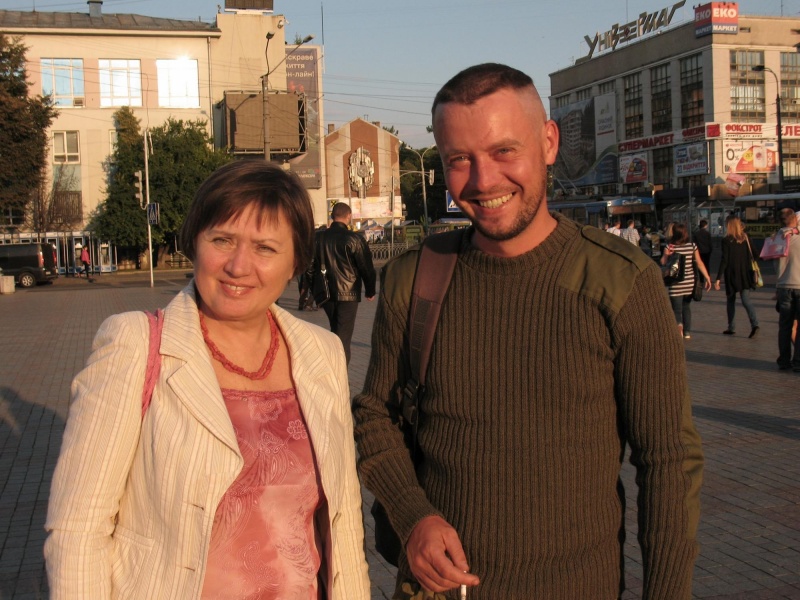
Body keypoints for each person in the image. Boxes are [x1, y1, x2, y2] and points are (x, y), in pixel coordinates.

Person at [353, 63, 703, 599]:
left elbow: (668, 463)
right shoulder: (415, 277)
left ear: (548, 142)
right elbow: (374, 416)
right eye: (458, 159)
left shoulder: (620, 282)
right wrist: (412, 516)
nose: (483, 181)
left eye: (503, 151)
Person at [44, 161, 370, 599]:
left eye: (265, 248)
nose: (238, 266)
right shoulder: (135, 345)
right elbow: (78, 530)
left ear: (295, 263)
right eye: (222, 240)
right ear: (195, 243)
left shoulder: (322, 353)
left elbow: (344, 518)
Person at [307, 201, 376, 364]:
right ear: (349, 216)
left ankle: (333, 367)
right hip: (349, 294)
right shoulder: (355, 239)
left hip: (326, 293)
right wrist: (370, 290)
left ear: (332, 216)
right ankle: (340, 372)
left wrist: (315, 289)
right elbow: (366, 267)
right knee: (343, 337)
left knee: (336, 331)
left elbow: (308, 267)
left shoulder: (318, 238)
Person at [661, 222, 712, 339]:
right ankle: (687, 332)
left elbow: (663, 262)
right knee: (686, 307)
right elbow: (699, 263)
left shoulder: (670, 247)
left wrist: (666, 255)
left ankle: (679, 325)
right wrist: (707, 277)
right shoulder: (692, 246)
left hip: (675, 284)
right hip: (689, 283)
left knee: (676, 310)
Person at [714, 215, 759, 338]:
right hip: (745, 274)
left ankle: (731, 327)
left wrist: (718, 278)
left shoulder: (726, 240)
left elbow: (725, 260)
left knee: (731, 301)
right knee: (746, 300)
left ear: (729, 226)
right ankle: (755, 324)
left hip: (732, 274)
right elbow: (756, 254)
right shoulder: (746, 238)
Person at [774, 207, 800, 371]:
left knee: (785, 326)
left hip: (783, 286)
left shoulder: (776, 238)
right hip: (799, 284)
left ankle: (784, 360)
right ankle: (798, 361)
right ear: (795, 219)